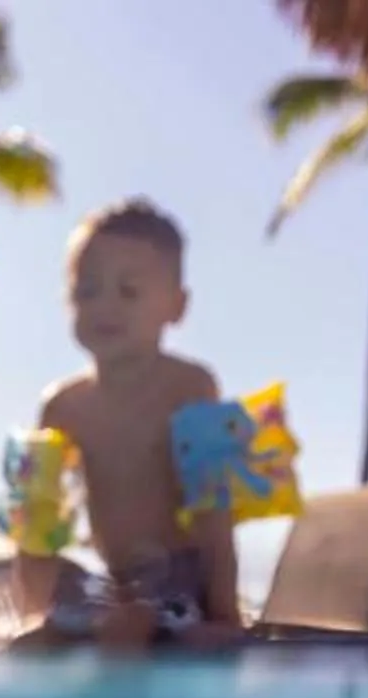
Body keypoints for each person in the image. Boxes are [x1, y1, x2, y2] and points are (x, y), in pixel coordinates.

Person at [17, 200, 248, 652]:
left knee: (148, 616)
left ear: (176, 307)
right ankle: (100, 624)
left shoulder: (190, 387)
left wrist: (225, 615)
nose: (105, 305)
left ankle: (142, 626)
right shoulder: (62, 407)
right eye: (87, 292)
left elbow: (213, 510)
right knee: (67, 594)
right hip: (112, 583)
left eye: (128, 291)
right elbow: (36, 525)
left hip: (181, 576)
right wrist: (31, 610)